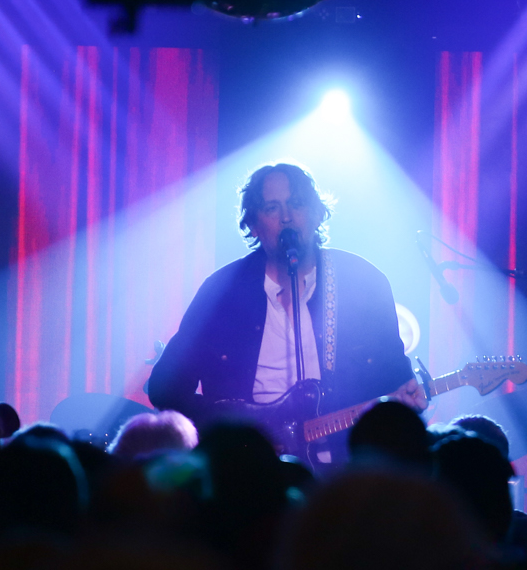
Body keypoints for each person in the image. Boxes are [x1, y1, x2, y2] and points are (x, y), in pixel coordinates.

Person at [147, 162, 423, 468]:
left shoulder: (363, 283)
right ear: (253, 224)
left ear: (317, 214)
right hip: (247, 469)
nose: (287, 217)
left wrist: (409, 401)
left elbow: (397, 382)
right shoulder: (222, 292)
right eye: (272, 208)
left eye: (297, 204)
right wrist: (229, 430)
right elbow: (164, 388)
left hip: (347, 467)